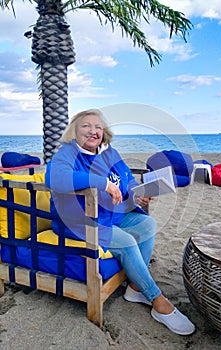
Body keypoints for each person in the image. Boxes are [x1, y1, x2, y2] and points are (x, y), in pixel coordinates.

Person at [45, 109, 195, 335]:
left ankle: (135, 289)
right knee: (126, 241)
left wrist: (138, 193)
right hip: (78, 222)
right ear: (74, 131)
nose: (93, 131)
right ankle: (157, 300)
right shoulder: (66, 154)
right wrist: (102, 183)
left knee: (147, 225)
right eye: (86, 126)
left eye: (98, 127)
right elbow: (54, 178)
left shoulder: (110, 153)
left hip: (110, 215)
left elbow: (128, 179)